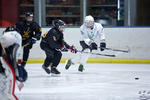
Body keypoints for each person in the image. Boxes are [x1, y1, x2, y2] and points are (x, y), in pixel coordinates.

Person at [0, 26, 27, 100]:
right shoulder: (17, 40)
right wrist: (19, 79)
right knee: (8, 94)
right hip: (8, 65)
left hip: (6, 65)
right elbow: (15, 61)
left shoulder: (6, 40)